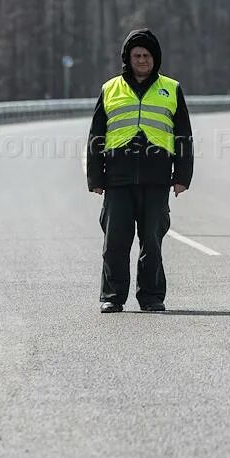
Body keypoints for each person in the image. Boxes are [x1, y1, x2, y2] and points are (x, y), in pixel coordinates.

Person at [87, 28, 194, 313]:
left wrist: (182, 176)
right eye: (137, 55)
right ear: (128, 58)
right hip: (118, 179)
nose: (142, 60)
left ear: (155, 58)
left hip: (156, 178)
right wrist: (95, 177)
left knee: (152, 242)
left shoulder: (171, 88)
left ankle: (151, 297)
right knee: (115, 243)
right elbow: (96, 135)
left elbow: (183, 135)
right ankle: (112, 296)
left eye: (147, 55)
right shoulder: (110, 89)